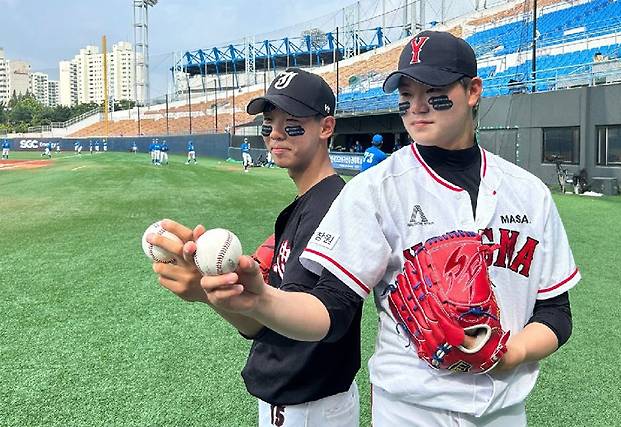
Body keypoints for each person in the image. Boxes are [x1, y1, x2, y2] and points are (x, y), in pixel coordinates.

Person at [195, 31, 580, 426]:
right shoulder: (375, 190)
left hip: (504, 413)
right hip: (409, 411)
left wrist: (510, 353)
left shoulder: (530, 193)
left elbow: (555, 313)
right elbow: (333, 308)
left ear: (473, 91)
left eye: (435, 93)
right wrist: (262, 301)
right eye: (406, 96)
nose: (418, 107)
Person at [147, 68, 362, 426]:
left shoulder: (329, 206)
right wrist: (209, 290)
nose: (276, 134)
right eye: (268, 124)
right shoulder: (309, 202)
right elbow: (263, 323)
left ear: (326, 128)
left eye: (292, 124)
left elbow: (306, 321)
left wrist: (216, 293)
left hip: (310, 407)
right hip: (301, 403)